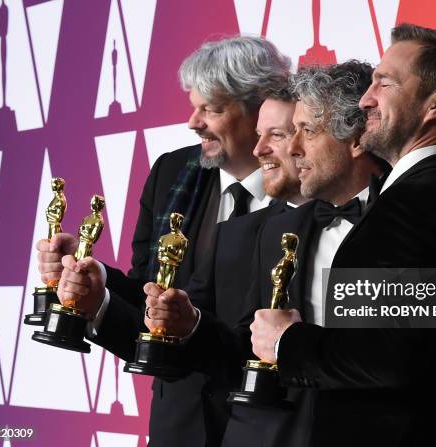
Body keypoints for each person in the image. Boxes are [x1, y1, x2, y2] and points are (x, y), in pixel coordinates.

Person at [251, 24, 436, 446]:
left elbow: (392, 355)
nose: (366, 99)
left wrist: (287, 342)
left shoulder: (414, 206)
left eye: (385, 84)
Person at [36, 36, 290, 447]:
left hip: (272, 426)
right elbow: (148, 294)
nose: (194, 122)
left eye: (211, 109)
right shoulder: (173, 173)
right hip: (179, 422)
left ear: (260, 110)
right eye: (195, 106)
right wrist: (91, 277)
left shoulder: (310, 185)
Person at [150, 60, 386, 447]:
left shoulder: (411, 219)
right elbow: (246, 348)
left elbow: (420, 350)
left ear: (356, 140)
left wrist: (292, 343)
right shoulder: (276, 229)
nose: (293, 149)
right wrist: (190, 323)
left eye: (305, 131)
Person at [141, 85, 308, 445]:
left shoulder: (383, 218)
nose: (261, 148)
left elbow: (411, 346)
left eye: (277, 135)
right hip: (205, 424)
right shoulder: (238, 233)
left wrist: (297, 346)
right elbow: (220, 341)